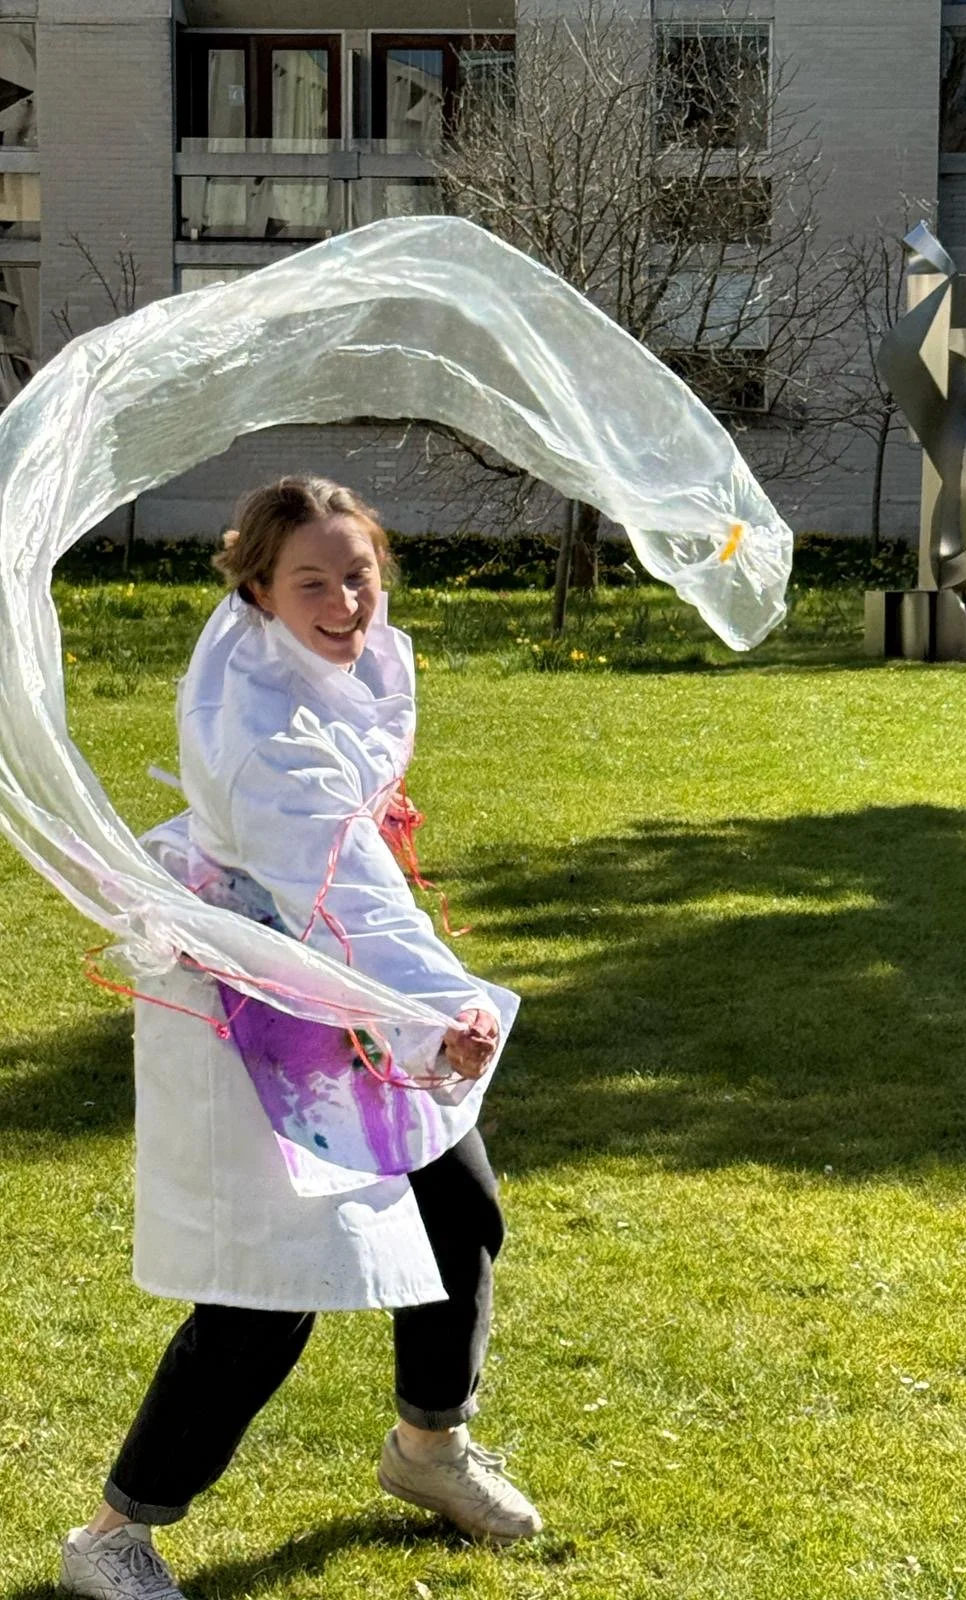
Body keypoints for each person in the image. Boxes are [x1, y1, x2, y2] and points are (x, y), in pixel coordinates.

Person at [60, 477, 541, 1600]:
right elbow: (348, 896)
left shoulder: (318, 656)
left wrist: (416, 1011)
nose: (344, 601)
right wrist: (438, 1011)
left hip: (333, 979)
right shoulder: (264, 727)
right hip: (264, 1008)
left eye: (358, 574)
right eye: (311, 582)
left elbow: (350, 885)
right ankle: (111, 1534)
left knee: (457, 1206)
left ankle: (428, 1450)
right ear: (258, 590)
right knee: (267, 1291)